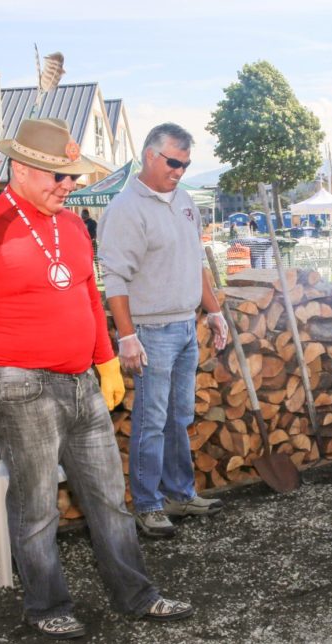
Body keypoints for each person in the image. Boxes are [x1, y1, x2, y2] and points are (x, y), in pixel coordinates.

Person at [0, 117, 194, 640]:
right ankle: (45, 606)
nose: (69, 186)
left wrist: (104, 358)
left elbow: (84, 296)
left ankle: (136, 596)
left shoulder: (75, 225)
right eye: (58, 177)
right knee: (36, 509)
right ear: (19, 169)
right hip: (20, 388)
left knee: (109, 501)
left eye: (72, 177)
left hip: (83, 383)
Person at [97, 123, 230, 539]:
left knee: (181, 415)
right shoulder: (125, 209)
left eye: (186, 164)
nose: (179, 171)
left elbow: (197, 263)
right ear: (150, 155)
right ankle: (148, 504)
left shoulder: (186, 200)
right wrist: (127, 336)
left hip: (187, 326)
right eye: (173, 162)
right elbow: (115, 278)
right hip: (151, 331)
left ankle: (179, 493)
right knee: (151, 420)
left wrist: (214, 312)